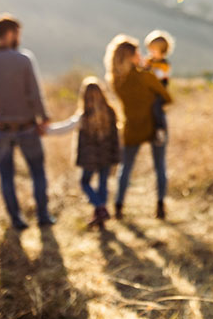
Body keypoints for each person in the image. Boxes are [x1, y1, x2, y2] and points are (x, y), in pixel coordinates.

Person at [0, 13, 55, 230]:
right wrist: (44, 117)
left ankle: (16, 220)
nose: (19, 38)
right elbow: (35, 93)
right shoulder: (23, 59)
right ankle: (43, 216)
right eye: (18, 33)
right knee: (37, 171)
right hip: (26, 126)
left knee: (6, 176)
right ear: (10, 33)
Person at [105, 34, 173, 220]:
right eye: (136, 52)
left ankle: (118, 206)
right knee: (160, 166)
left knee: (125, 168)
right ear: (130, 56)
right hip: (155, 124)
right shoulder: (145, 77)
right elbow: (167, 97)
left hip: (132, 126)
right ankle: (160, 206)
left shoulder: (116, 81)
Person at [47, 77, 120, 229]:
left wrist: (45, 130)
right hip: (106, 155)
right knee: (102, 184)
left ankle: (100, 208)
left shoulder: (84, 116)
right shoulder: (110, 112)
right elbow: (116, 136)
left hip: (90, 158)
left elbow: (65, 128)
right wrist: (116, 154)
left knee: (85, 182)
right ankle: (100, 214)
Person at [143, 30, 175, 147]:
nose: (150, 52)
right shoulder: (149, 61)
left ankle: (160, 129)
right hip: (149, 92)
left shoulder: (164, 64)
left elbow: (160, 75)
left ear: (162, 51)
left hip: (160, 92)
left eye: (153, 50)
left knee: (157, 108)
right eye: (149, 49)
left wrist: (149, 70)